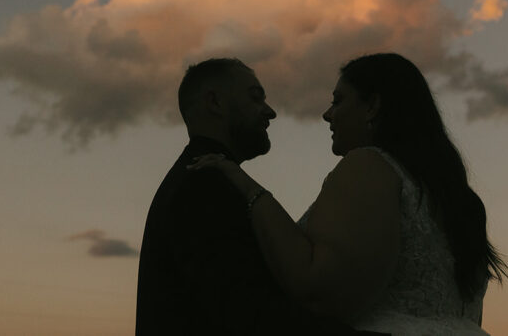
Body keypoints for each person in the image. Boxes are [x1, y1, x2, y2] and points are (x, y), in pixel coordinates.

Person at [190, 52, 508, 335]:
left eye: (338, 101)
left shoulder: (370, 166)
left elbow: (317, 288)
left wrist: (247, 187)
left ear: (372, 106)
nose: (328, 115)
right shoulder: (465, 202)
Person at [135, 57, 388, 336]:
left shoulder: (211, 178)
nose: (270, 112)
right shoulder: (204, 185)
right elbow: (245, 312)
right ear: (215, 103)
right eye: (256, 99)